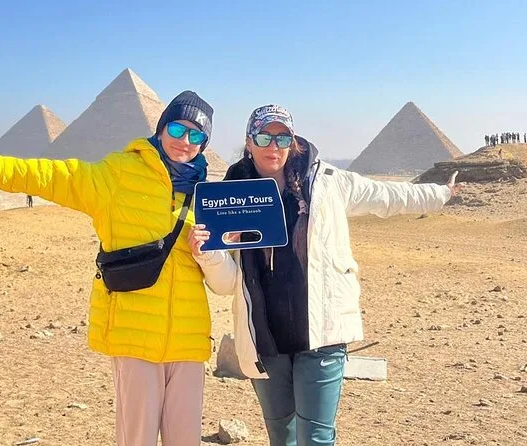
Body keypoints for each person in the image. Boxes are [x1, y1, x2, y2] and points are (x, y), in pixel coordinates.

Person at [0, 91, 220, 446]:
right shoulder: (117, 175)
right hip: (135, 334)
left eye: (196, 134)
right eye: (177, 129)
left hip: (188, 339)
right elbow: (48, 175)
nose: (185, 141)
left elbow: (229, 264)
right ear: (160, 127)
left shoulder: (209, 195)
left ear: (204, 143)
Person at [187, 104, 461, 446]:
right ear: (249, 142)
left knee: (315, 438)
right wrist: (207, 253)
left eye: (282, 138)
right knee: (282, 438)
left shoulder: (328, 182)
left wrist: (440, 194)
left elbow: (388, 196)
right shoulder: (230, 198)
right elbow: (228, 283)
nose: (273, 146)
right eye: (264, 137)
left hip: (322, 332)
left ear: (293, 142)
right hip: (265, 338)